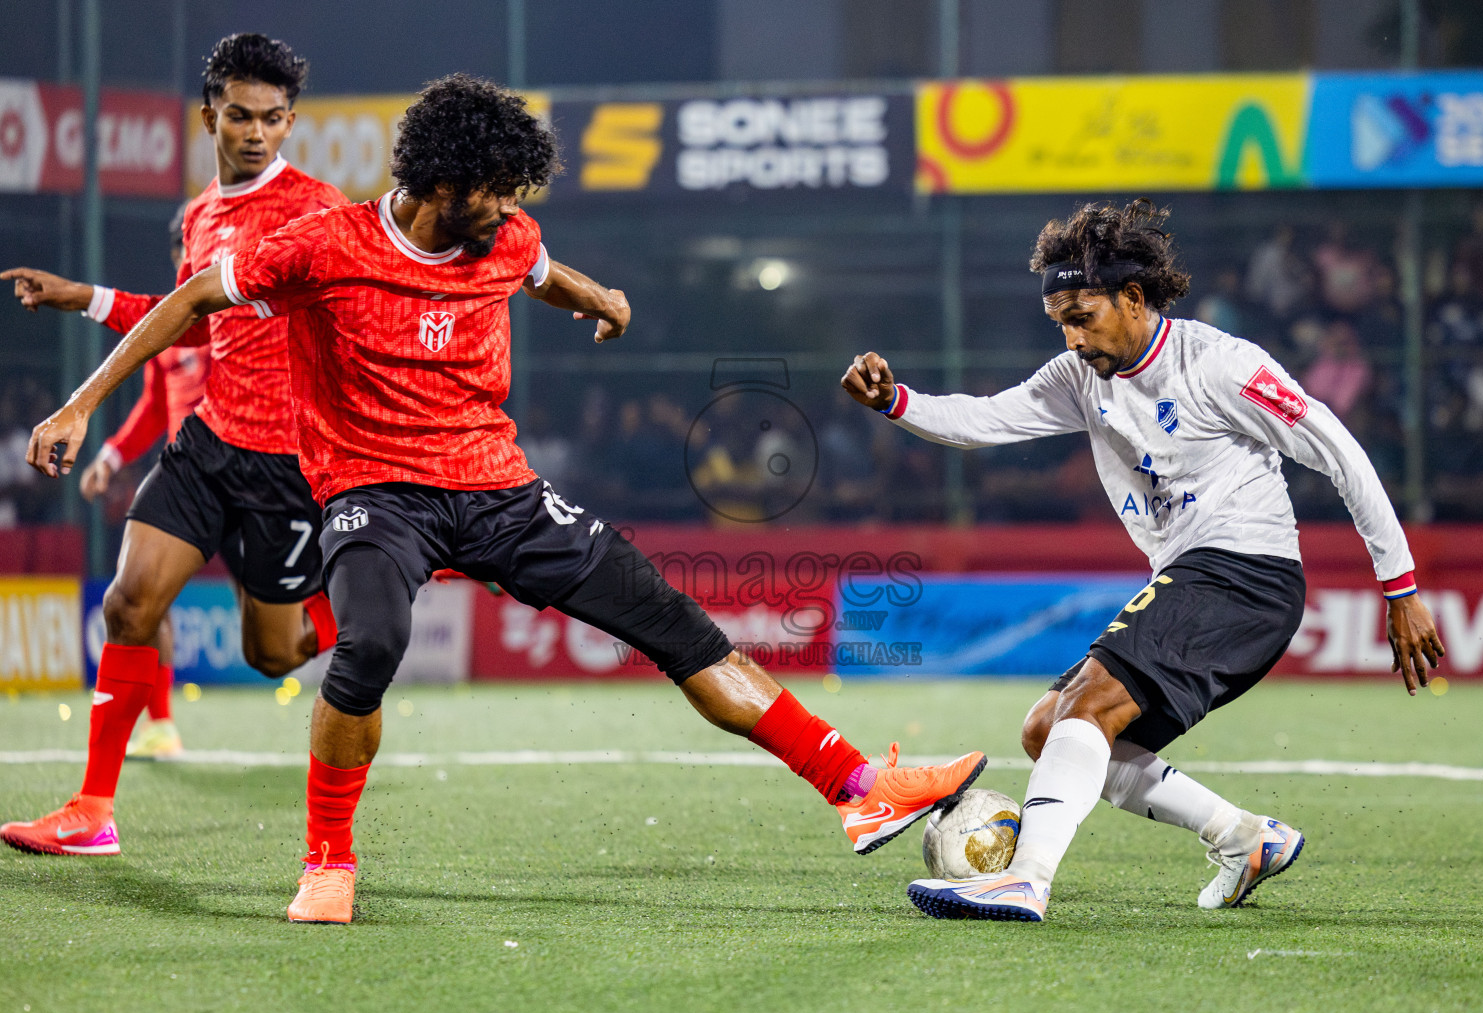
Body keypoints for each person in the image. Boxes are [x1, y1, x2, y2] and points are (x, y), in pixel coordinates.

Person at [23, 74, 987, 923]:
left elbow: (539, 269)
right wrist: (78, 406)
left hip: (500, 490)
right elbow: (189, 300)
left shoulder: (504, 232)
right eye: (492, 190)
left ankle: (858, 786)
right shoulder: (323, 245)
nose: (507, 207)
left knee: (673, 621)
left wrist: (598, 297)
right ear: (437, 183)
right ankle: (327, 861)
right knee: (367, 646)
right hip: (375, 493)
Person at [841, 199, 1445, 923]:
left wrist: (1400, 587)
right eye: (1059, 318)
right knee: (1049, 730)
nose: (1071, 335)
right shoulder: (1078, 376)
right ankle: (1242, 836)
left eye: (1084, 314)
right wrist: (896, 401)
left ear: (1133, 298)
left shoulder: (1221, 366)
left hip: (1243, 573)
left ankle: (1025, 876)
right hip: (1194, 578)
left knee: (1089, 701)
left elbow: (1340, 452)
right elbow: (987, 419)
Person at [1, 33, 348, 857]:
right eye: (239, 116)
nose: (255, 132)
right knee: (128, 604)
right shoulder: (199, 214)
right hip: (207, 445)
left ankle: (365, 600)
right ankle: (92, 811)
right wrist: (83, 298)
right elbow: (181, 316)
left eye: (271, 118)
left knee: (271, 656)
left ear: (290, 122)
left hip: (283, 469)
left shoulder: (317, 210)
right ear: (210, 117)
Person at [7, 203, 208, 759]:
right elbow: (151, 407)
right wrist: (113, 457)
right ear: (175, 257)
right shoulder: (171, 323)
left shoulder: (241, 314)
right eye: (185, 252)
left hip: (256, 472)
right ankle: (160, 726)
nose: (194, 262)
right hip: (190, 479)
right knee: (143, 597)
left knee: (276, 644)